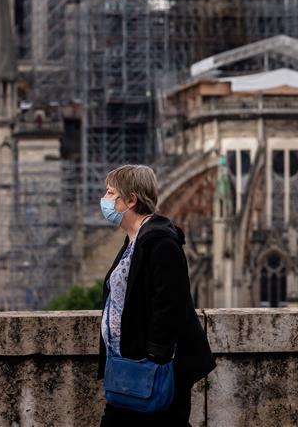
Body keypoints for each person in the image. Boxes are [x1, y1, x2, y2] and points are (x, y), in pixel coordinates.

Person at [97, 164, 216, 426]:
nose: (104, 200)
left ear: (131, 199)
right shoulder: (134, 239)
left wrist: (153, 358)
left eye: (110, 193)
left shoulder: (161, 241)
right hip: (128, 367)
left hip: (151, 371)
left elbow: (169, 305)